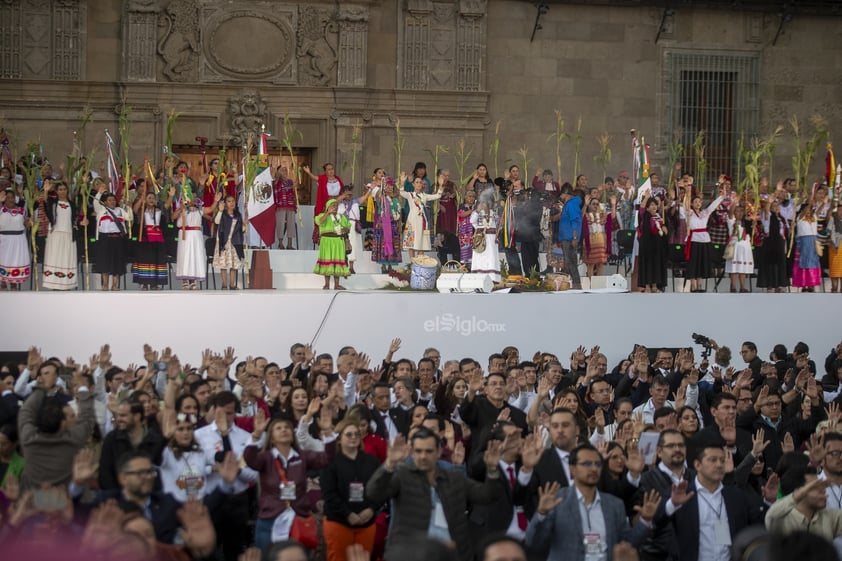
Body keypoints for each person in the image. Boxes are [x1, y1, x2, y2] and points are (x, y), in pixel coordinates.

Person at [365, 427, 506, 561]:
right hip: (409, 553)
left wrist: (492, 469)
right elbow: (373, 493)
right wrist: (389, 464)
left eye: (428, 451)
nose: (423, 456)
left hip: (450, 553)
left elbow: (488, 495)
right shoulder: (402, 476)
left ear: (439, 452)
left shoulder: (454, 477)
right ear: (411, 452)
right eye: (418, 451)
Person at [524, 444, 660, 561]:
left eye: (598, 464)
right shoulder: (557, 500)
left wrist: (645, 520)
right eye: (587, 464)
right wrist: (541, 513)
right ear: (572, 469)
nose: (594, 469)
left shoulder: (614, 505)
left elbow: (626, 544)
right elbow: (534, 543)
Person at [244, 408, 334, 550]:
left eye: (287, 427)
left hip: (298, 519)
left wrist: (328, 432)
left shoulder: (302, 456)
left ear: (293, 435)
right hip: (270, 520)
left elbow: (327, 459)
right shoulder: (266, 458)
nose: (284, 430)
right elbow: (250, 459)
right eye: (278, 428)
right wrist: (256, 434)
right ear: (272, 437)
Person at [664, 441, 762, 561]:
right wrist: (672, 505)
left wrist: (768, 500)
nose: (719, 465)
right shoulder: (681, 496)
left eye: (722, 460)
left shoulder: (736, 496)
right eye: (713, 460)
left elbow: (757, 523)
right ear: (697, 465)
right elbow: (658, 524)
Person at [320, 418, 381, 561]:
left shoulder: (372, 461)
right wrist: (348, 514)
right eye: (349, 434)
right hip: (339, 522)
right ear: (339, 439)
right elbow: (329, 494)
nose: (353, 437)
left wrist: (372, 509)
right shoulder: (329, 462)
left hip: (366, 521)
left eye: (356, 434)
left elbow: (380, 488)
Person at [172, 190, 218, 290]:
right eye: (190, 197)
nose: (192, 200)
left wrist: (216, 201)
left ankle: (193, 282)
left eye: (194, 198)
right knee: (184, 257)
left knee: (194, 257)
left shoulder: (199, 209)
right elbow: (173, 217)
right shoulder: (182, 208)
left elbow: (210, 209)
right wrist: (180, 209)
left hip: (196, 236)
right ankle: (185, 282)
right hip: (185, 235)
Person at [684, 185, 726, 292]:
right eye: (695, 202)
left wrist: (721, 197)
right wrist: (687, 193)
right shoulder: (689, 213)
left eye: (699, 201)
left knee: (701, 263)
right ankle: (693, 286)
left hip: (704, 241)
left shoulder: (704, 213)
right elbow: (685, 205)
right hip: (694, 240)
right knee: (694, 263)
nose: (698, 203)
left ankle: (699, 285)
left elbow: (713, 206)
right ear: (692, 204)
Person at [42, 180, 83, 290]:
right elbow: (46, 205)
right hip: (55, 234)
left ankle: (67, 284)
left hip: (69, 235)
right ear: (56, 191)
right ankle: (54, 284)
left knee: (67, 258)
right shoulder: (53, 203)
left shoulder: (72, 204)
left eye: (64, 189)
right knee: (55, 257)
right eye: (60, 190)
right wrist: (46, 191)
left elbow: (76, 218)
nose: (62, 192)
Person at [130, 184, 171, 290]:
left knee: (156, 262)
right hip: (145, 241)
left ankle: (154, 284)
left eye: (153, 198)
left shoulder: (159, 211)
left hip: (157, 241)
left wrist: (171, 196)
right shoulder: (141, 211)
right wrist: (141, 200)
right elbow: (134, 210)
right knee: (144, 261)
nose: (151, 200)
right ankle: (144, 283)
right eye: (149, 198)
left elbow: (166, 208)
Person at [399, 171, 443, 260]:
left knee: (421, 243)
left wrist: (441, 185)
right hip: (412, 221)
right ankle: (412, 262)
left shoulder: (425, 196)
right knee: (410, 243)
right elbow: (401, 192)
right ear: (413, 184)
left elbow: (438, 196)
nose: (419, 184)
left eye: (420, 183)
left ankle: (419, 263)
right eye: (417, 182)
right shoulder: (410, 195)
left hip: (422, 221)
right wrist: (402, 182)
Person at [92, 186, 129, 291]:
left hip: (117, 239)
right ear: (105, 202)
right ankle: (104, 285)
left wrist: (128, 207)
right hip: (105, 239)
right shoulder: (101, 210)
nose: (112, 202)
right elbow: (95, 203)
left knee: (116, 263)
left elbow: (129, 217)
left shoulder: (120, 210)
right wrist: (99, 193)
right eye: (109, 200)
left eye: (113, 200)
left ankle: (115, 285)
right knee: (105, 262)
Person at [368, 171, 402, 273]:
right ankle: (383, 265)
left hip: (393, 224)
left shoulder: (395, 199)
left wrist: (399, 223)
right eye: (387, 186)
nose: (389, 188)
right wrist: (379, 185)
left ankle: (390, 266)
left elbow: (398, 212)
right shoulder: (381, 198)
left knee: (393, 243)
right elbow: (377, 194)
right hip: (383, 224)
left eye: (391, 186)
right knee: (383, 243)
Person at [314, 198, 351, 290]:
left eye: (336, 206)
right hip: (326, 242)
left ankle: (337, 285)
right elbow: (319, 222)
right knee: (328, 262)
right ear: (328, 207)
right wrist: (327, 213)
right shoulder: (322, 215)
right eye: (333, 205)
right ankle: (326, 284)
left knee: (336, 263)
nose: (335, 207)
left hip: (338, 241)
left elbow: (348, 227)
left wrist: (344, 229)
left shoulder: (341, 217)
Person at [303, 163, 344, 246]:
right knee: (327, 220)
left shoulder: (338, 179)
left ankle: (339, 237)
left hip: (338, 202)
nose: (331, 171)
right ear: (325, 171)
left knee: (338, 219)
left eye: (332, 169)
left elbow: (343, 190)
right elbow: (315, 178)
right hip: (327, 202)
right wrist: (308, 172)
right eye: (328, 169)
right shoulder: (323, 178)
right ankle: (324, 239)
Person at [757, 197, 790, 293]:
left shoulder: (783, 218)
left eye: (777, 206)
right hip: (770, 242)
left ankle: (778, 285)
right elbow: (766, 210)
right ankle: (769, 285)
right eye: (773, 206)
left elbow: (786, 231)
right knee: (770, 263)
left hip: (780, 242)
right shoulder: (767, 216)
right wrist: (770, 201)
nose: (776, 208)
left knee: (779, 264)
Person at [213, 194, 245, 290]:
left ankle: (232, 284)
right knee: (223, 263)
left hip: (235, 242)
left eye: (233, 201)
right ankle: (224, 284)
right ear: (225, 204)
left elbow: (241, 229)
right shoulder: (222, 214)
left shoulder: (238, 215)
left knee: (234, 264)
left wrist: (245, 225)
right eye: (229, 201)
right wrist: (220, 210)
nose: (231, 203)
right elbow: (216, 222)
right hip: (224, 241)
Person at [636, 196, 668, 293]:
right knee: (647, 264)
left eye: (655, 205)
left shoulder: (658, 217)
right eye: (651, 205)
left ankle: (655, 284)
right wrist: (646, 197)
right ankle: (646, 285)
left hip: (656, 245)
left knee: (656, 265)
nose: (654, 207)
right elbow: (641, 207)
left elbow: (662, 230)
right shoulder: (644, 215)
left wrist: (664, 228)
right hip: (646, 245)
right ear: (647, 207)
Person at [582, 195, 618, 279]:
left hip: (601, 242)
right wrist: (585, 205)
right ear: (590, 205)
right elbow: (580, 216)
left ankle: (598, 284)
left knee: (600, 264)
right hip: (589, 243)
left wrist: (613, 205)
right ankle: (591, 285)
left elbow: (612, 216)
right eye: (593, 204)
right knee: (590, 264)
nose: (595, 206)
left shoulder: (603, 215)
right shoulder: (586, 215)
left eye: (597, 204)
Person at [725, 203, 756, 293]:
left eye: (741, 211)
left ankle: (742, 287)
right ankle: (733, 287)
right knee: (734, 267)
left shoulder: (746, 221)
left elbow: (751, 233)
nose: (739, 213)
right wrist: (735, 202)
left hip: (745, 246)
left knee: (743, 267)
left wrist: (754, 225)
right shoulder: (731, 220)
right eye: (737, 211)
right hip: (734, 245)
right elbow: (730, 212)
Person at [791, 202, 822, 292]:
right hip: (804, 242)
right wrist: (810, 200)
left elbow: (819, 210)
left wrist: (823, 203)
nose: (809, 211)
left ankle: (811, 284)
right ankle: (804, 284)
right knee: (804, 262)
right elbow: (804, 211)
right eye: (807, 209)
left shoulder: (814, 218)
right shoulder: (800, 218)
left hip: (813, 242)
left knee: (813, 262)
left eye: (810, 209)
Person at [558, 184, 583, 290]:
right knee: (569, 262)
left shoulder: (571, 204)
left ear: (565, 193)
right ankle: (575, 285)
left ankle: (577, 286)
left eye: (561, 194)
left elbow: (575, 222)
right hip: (566, 238)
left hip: (569, 238)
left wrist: (574, 238)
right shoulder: (568, 204)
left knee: (571, 262)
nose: (560, 197)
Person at [470, 201, 501, 282]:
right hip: (480, 239)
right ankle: (478, 277)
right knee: (480, 257)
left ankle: (493, 278)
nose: (483, 206)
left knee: (491, 257)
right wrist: (477, 210)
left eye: (485, 204)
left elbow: (499, 224)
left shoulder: (494, 214)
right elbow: (472, 221)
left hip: (491, 239)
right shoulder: (477, 213)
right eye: (482, 204)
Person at [338, 185, 363, 275]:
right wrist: (344, 195)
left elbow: (365, 197)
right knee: (342, 245)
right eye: (347, 193)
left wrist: (370, 189)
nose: (349, 195)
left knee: (353, 246)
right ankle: (343, 266)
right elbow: (333, 203)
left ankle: (351, 267)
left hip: (353, 226)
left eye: (350, 193)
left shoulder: (355, 202)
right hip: (342, 226)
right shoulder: (339, 202)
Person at [273, 164, 298, 250]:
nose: (285, 172)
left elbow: (293, 193)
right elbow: (278, 187)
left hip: (290, 205)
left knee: (291, 224)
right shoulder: (276, 181)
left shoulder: (290, 181)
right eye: (282, 170)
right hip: (280, 206)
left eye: (286, 170)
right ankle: (280, 243)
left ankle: (290, 244)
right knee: (280, 224)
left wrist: (294, 188)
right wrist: (278, 173)